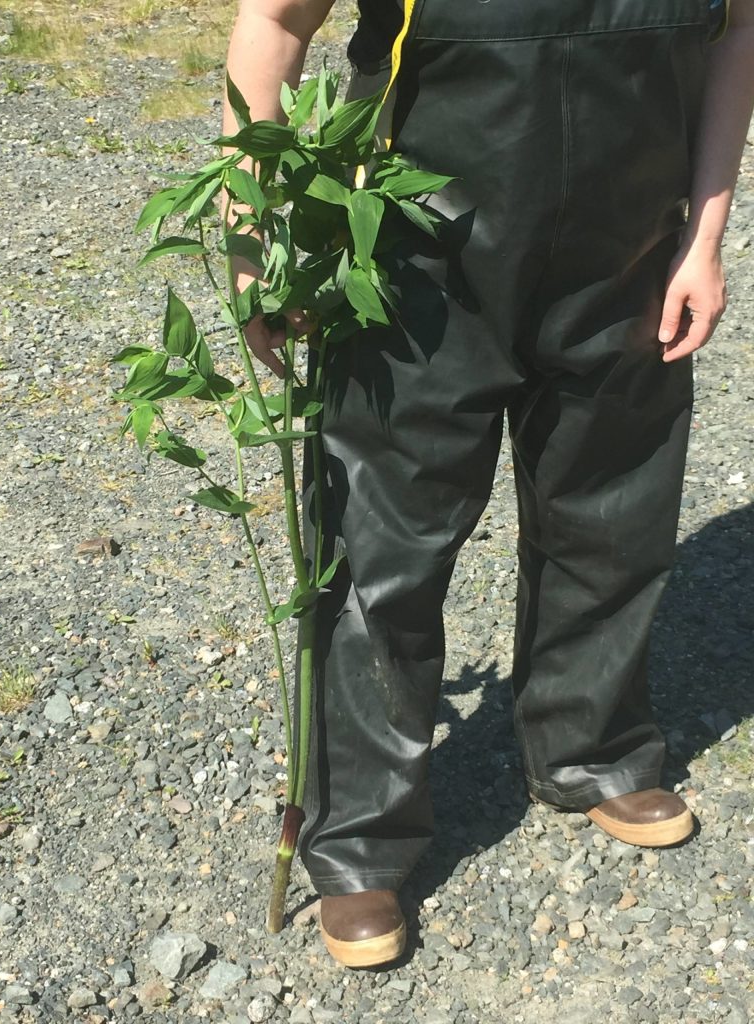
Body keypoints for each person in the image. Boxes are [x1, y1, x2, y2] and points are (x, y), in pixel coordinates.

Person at [223, 0, 754, 968]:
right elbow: (274, 25)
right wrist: (254, 237)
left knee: (614, 507)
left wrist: (707, 238)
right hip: (414, 267)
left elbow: (734, 35)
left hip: (626, 253)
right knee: (382, 535)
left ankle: (592, 748)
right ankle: (360, 841)